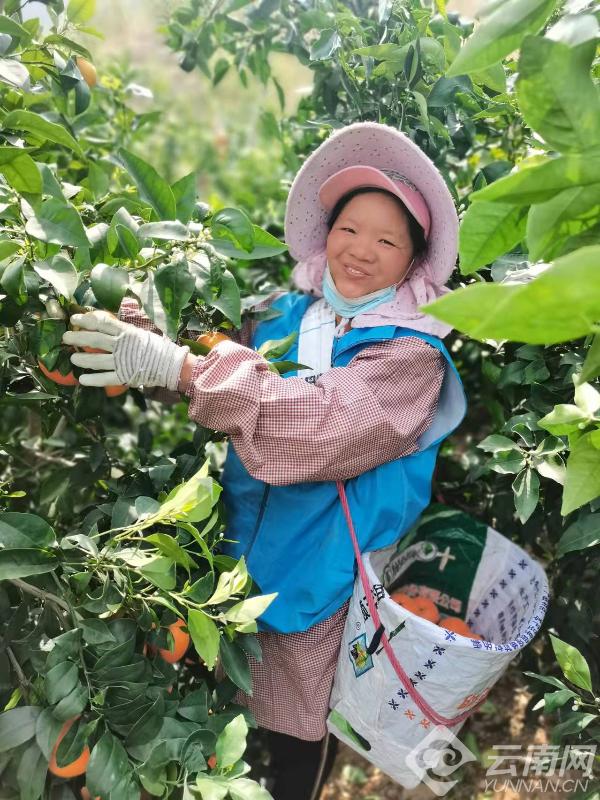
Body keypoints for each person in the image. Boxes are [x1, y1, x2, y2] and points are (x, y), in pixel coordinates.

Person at [63, 121, 467, 800]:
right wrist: (141, 335)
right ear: (325, 232)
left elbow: (325, 427)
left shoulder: (410, 355)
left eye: (387, 239)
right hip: (237, 560)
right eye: (349, 228)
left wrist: (186, 368)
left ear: (412, 261)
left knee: (296, 737)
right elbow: (210, 370)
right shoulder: (284, 312)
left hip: (326, 576)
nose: (361, 251)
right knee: (234, 724)